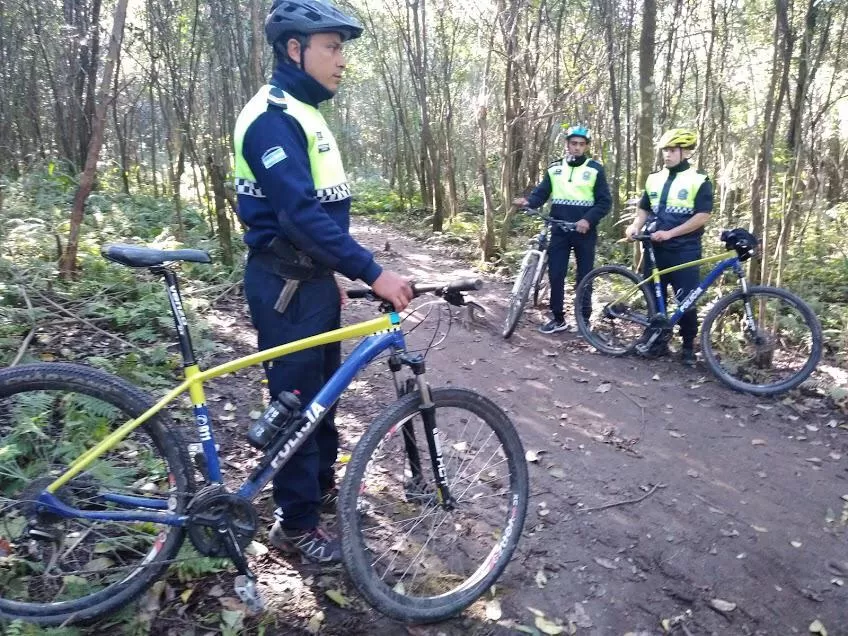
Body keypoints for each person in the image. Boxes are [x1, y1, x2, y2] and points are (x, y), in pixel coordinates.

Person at [233, 0, 413, 563]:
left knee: (321, 401)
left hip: (310, 280)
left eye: (341, 49)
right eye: (331, 48)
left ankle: (317, 491)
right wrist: (372, 271)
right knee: (296, 402)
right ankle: (295, 521)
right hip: (283, 285)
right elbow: (298, 215)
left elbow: (318, 214)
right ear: (295, 49)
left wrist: (332, 273)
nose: (341, 61)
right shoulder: (272, 116)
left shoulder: (307, 112)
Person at [625, 128, 713, 367]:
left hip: (685, 249)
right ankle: (656, 340)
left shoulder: (699, 180)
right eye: (665, 150)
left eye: (672, 150)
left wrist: (671, 233)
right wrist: (635, 225)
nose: (667, 155)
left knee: (687, 300)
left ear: (685, 152)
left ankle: (687, 347)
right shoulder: (654, 178)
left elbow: (702, 215)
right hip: (654, 248)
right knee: (654, 297)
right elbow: (644, 208)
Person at [513, 125, 611, 334]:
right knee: (556, 274)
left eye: (581, 144)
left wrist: (587, 220)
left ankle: (584, 320)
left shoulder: (595, 169)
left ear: (586, 147)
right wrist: (529, 202)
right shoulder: (554, 169)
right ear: (567, 144)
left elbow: (604, 202)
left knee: (585, 276)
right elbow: (542, 193)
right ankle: (558, 318)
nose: (577, 148)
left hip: (584, 232)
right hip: (559, 229)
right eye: (573, 143)